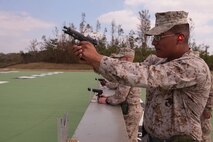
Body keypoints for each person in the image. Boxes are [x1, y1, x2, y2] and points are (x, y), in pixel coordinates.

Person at [71, 10, 212, 142]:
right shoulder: (158, 61)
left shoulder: (193, 66)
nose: (153, 42)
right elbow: (128, 74)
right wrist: (93, 62)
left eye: (159, 36)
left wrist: (98, 59)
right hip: (150, 136)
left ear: (180, 37)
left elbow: (143, 75)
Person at [98, 48, 143, 142]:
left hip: (130, 111)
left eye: (120, 58)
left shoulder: (128, 73)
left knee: (127, 138)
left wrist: (106, 100)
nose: (119, 61)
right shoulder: (133, 70)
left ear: (126, 59)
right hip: (132, 110)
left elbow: (120, 97)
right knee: (131, 137)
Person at [201, 75, 213, 142]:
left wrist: (208, 108)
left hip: (202, 109)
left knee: (204, 132)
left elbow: (211, 93)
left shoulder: (207, 74)